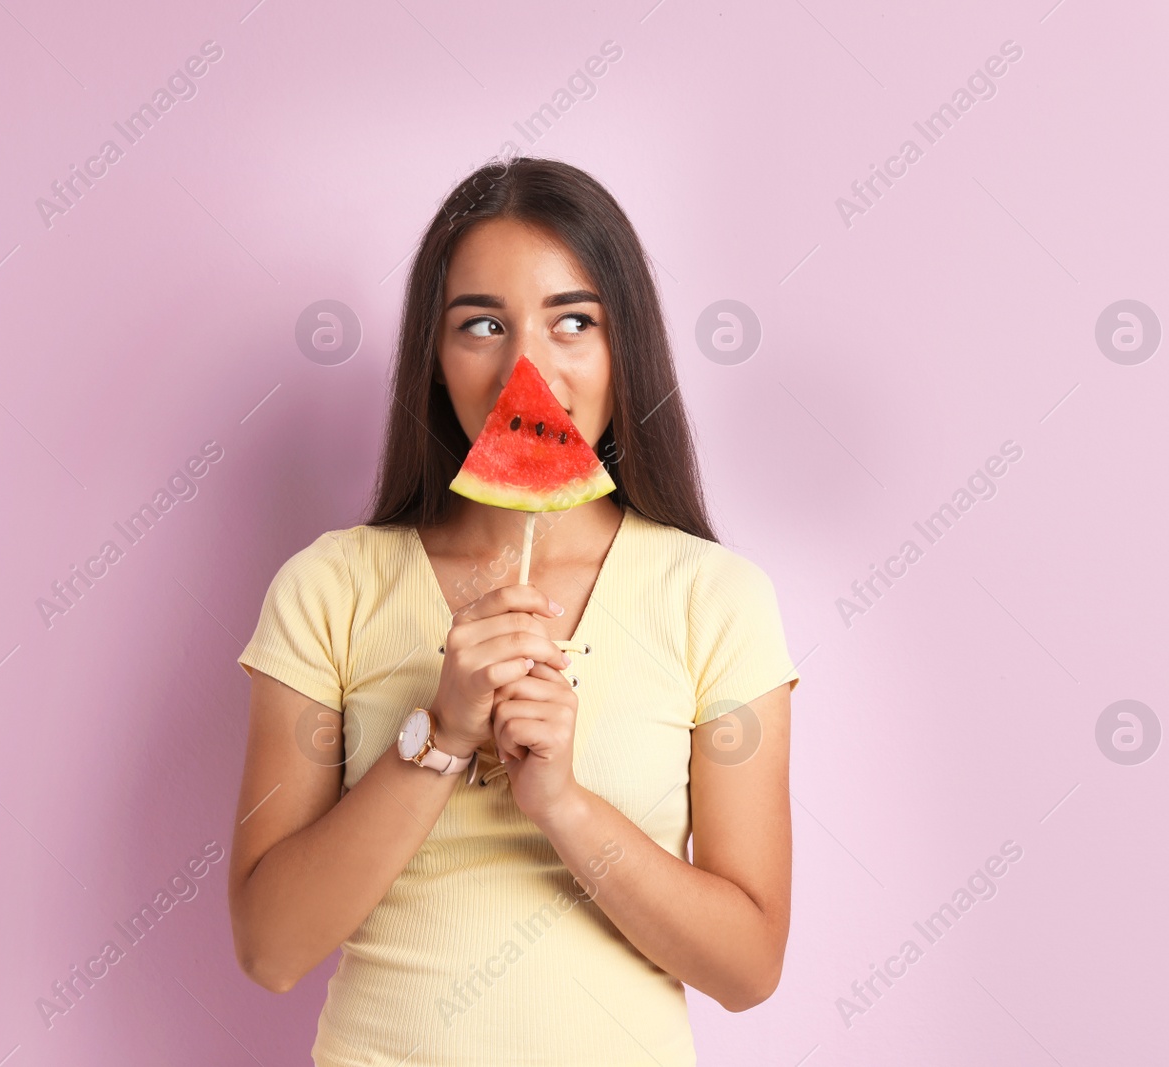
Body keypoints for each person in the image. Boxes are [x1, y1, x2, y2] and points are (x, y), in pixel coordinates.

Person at [227, 156, 801, 1066]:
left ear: (626, 348)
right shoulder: (328, 586)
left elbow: (746, 968)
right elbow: (271, 946)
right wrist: (442, 735)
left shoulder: (716, 599)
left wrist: (562, 802)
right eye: (482, 323)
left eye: (573, 321)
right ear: (433, 355)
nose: (524, 367)